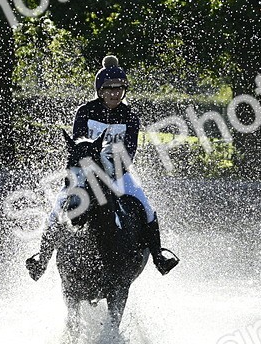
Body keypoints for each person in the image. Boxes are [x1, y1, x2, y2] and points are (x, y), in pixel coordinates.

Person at [26, 56, 180, 280]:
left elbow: (129, 153)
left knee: (146, 207)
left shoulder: (130, 117)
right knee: (56, 208)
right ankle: (42, 260)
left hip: (117, 174)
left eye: (119, 89)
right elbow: (77, 147)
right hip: (83, 174)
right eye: (109, 89)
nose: (115, 93)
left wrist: (108, 172)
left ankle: (159, 257)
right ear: (100, 90)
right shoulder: (85, 112)